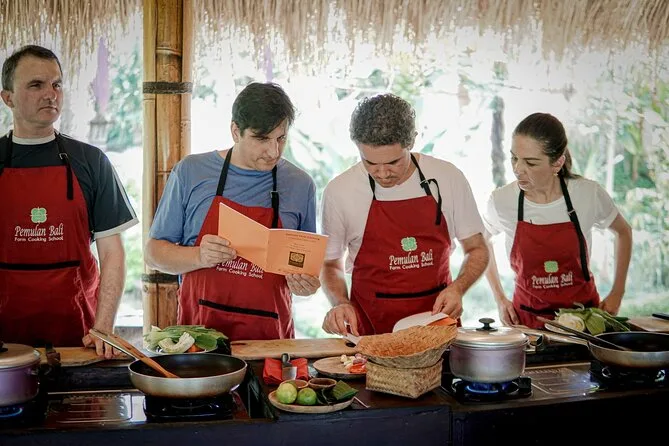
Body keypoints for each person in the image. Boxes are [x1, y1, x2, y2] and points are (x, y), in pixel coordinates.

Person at [145, 82, 320, 340]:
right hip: (200, 339)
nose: (273, 152)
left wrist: (306, 286)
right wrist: (199, 256)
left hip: (270, 341)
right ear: (235, 131)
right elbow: (154, 254)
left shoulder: (301, 185)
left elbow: (307, 270)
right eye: (262, 139)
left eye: (281, 138)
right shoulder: (191, 172)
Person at [0, 45, 138, 357]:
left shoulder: (91, 161)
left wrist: (103, 327)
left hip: (80, 337)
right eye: (36, 85)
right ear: (8, 98)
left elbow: (112, 254)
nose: (51, 94)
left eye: (57, 84)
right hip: (4, 345)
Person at [320, 93, 489, 336]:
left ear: (411, 142)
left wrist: (458, 288)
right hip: (371, 333)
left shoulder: (448, 178)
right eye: (370, 163)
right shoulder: (340, 191)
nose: (382, 173)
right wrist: (340, 303)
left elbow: (477, 248)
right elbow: (330, 264)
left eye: (393, 163)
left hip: (437, 328)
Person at [483, 112, 633, 329]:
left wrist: (618, 292)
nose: (517, 169)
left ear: (558, 163)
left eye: (530, 163)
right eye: (514, 158)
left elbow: (623, 231)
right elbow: (481, 241)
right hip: (528, 324)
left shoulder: (587, 194)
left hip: (584, 323)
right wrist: (499, 298)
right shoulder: (502, 200)